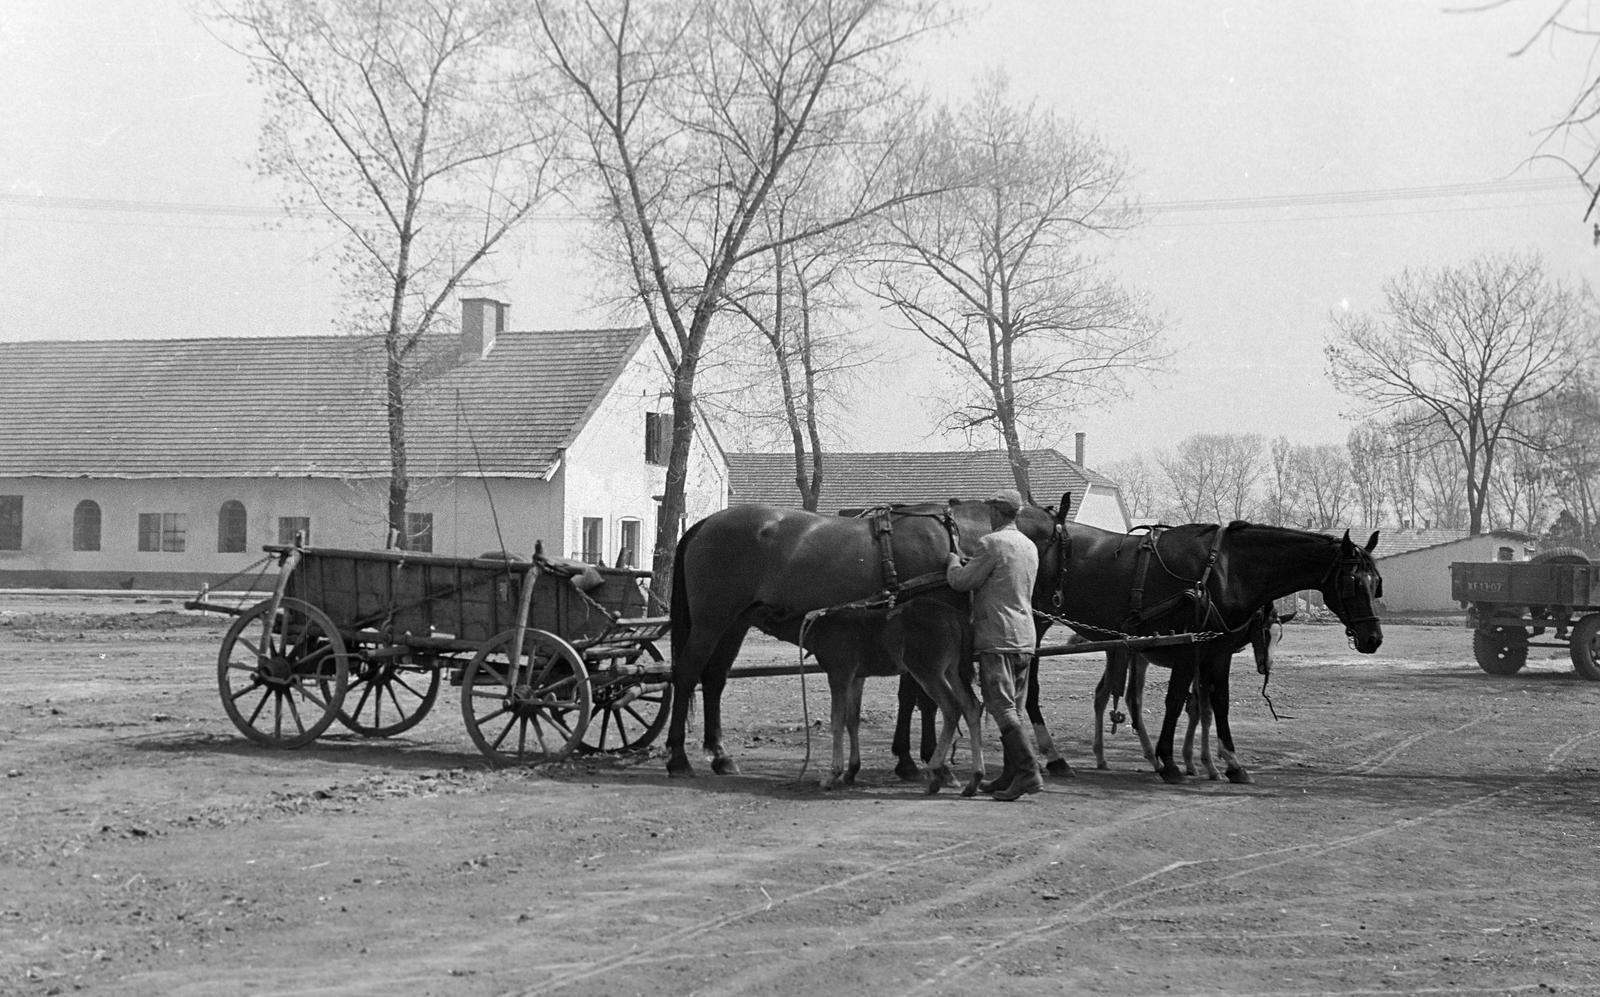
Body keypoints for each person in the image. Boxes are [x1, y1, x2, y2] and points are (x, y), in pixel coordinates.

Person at [946, 487, 1044, 801]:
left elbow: (962, 582)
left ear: (998, 513)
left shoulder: (992, 544)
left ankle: (1028, 773)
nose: (988, 516)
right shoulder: (1028, 545)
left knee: (1002, 709)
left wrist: (952, 562)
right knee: (1014, 707)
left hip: (997, 637)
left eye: (990, 511)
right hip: (1025, 637)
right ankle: (1010, 774)